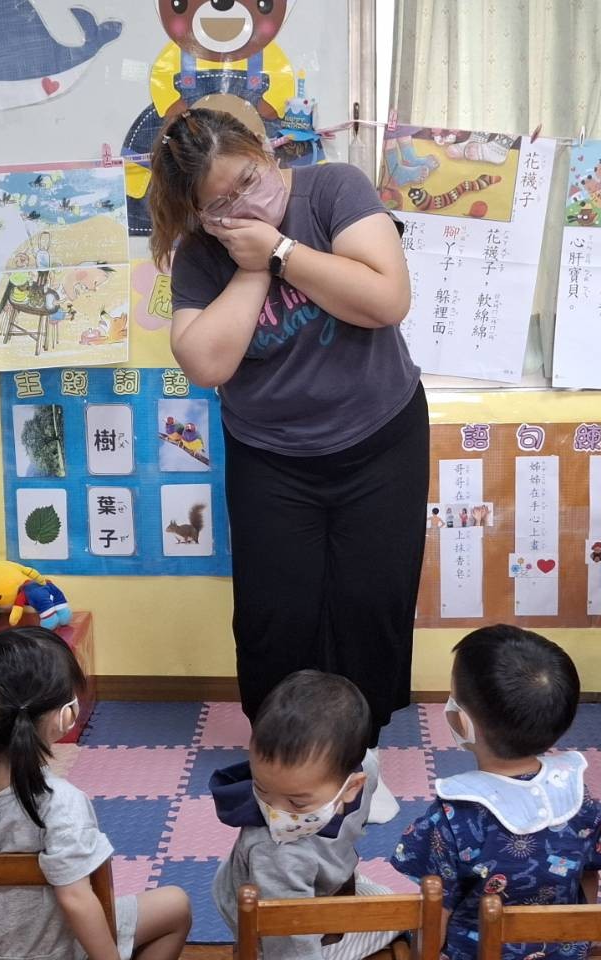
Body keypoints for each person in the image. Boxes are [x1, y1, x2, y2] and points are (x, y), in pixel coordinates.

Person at [151, 108, 425, 822]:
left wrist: (281, 251)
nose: (243, 205)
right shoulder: (202, 254)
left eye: (248, 181)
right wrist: (251, 266)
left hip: (381, 435)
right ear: (197, 213)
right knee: (275, 616)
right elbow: (206, 363)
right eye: (220, 203)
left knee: (372, 603)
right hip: (270, 455)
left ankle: (358, 762)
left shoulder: (333, 189)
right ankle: (286, 765)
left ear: (268, 154)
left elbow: (386, 300)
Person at [0, 628, 191, 960]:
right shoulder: (60, 803)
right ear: (63, 716)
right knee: (176, 906)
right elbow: (76, 900)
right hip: (55, 949)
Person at [391, 626, 601, 960]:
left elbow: (437, 913)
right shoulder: (575, 793)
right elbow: (588, 876)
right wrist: (589, 945)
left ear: (461, 721)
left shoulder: (451, 816)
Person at [208, 671, 397, 960]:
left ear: (351, 787)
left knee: (390, 904)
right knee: (400, 919)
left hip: (311, 883)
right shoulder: (277, 854)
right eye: (261, 789)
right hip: (264, 918)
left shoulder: (365, 770)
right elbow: (287, 942)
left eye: (297, 803)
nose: (276, 812)